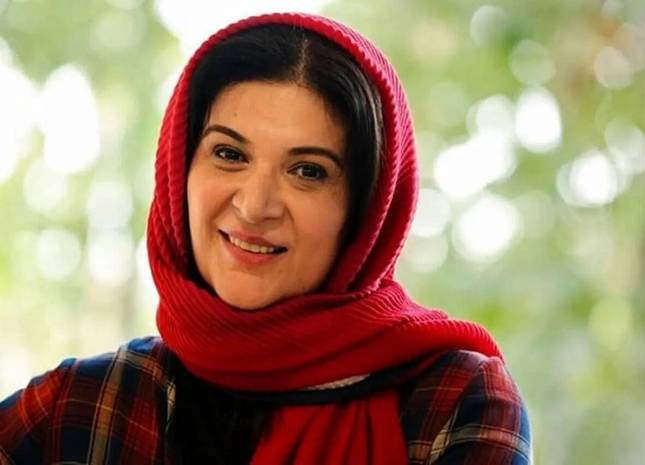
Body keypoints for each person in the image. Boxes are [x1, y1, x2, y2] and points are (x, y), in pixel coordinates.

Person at [0, 12, 531, 465]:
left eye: (308, 171)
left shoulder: (453, 400)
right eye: (229, 154)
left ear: (365, 210)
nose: (255, 206)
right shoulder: (82, 405)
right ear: (179, 172)